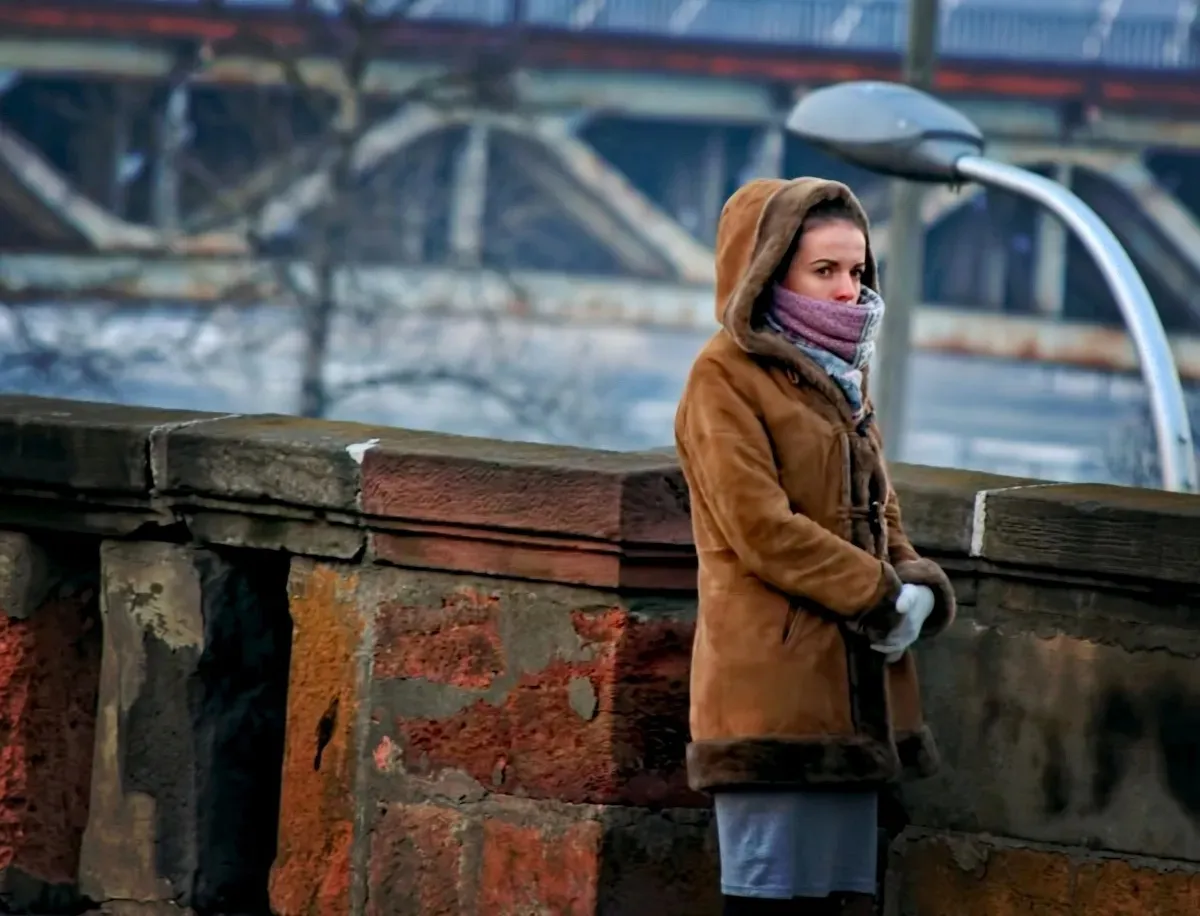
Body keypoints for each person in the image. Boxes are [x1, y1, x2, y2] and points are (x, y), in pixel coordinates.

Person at [673, 178, 957, 916]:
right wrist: (881, 596)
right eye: (823, 271)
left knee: (842, 900)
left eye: (857, 271)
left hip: (853, 692)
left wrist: (915, 579)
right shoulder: (722, 377)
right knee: (768, 900)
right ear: (769, 271)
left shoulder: (840, 379)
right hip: (772, 685)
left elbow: (878, 511)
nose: (846, 290)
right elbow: (760, 527)